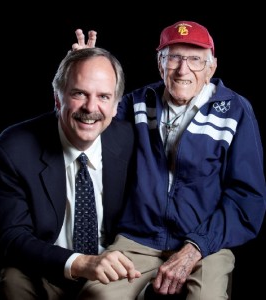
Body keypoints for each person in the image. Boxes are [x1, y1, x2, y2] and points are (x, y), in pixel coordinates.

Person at [73, 21, 266, 300]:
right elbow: (85, 120)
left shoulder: (235, 111)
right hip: (137, 239)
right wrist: (83, 72)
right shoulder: (137, 103)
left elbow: (247, 198)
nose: (182, 69)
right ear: (159, 63)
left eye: (195, 60)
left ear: (211, 67)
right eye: (173, 57)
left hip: (206, 243)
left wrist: (197, 246)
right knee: (97, 296)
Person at [0, 46, 141, 300]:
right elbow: (10, 238)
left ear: (115, 106)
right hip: (44, 267)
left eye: (103, 96)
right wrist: (80, 263)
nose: (91, 108)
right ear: (58, 98)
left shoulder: (131, 141)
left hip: (112, 271)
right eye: (79, 93)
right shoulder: (13, 149)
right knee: (12, 282)